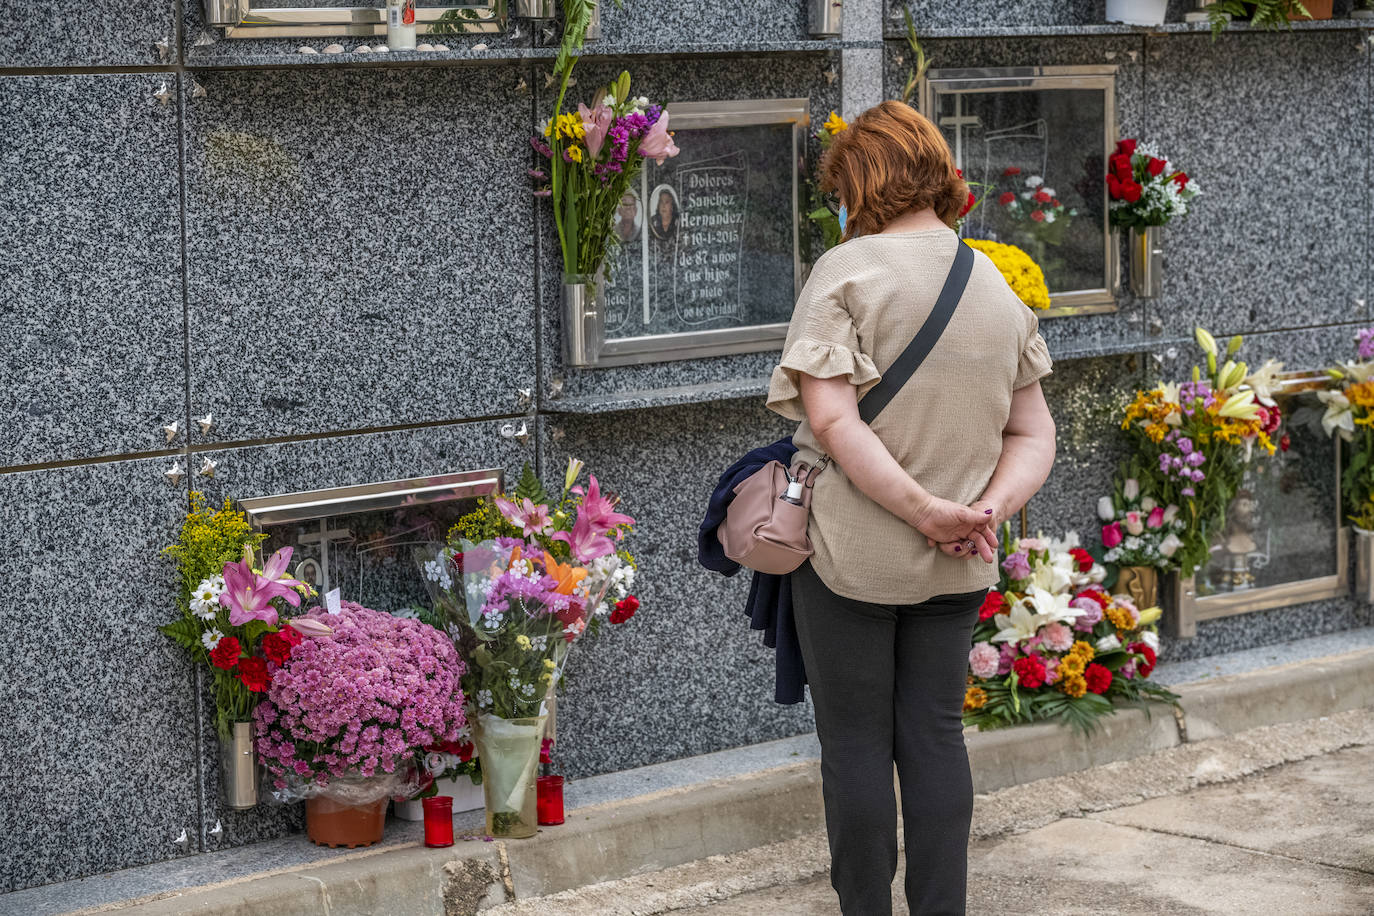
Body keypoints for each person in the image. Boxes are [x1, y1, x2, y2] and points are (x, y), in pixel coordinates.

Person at [763, 100, 1058, 916]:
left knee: (855, 746)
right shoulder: (995, 281)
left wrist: (924, 509)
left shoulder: (848, 270)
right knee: (934, 738)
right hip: (961, 560)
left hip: (852, 555)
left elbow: (830, 420)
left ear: (857, 183)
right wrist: (980, 510)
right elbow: (1034, 431)